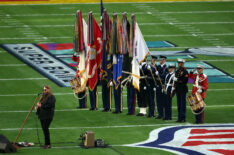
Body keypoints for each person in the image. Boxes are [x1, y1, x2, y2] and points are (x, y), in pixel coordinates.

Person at [173, 58, 188, 123]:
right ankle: (179, 117)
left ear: (182, 64)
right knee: (179, 104)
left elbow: (186, 81)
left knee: (182, 104)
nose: (179, 64)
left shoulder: (185, 71)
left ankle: (183, 117)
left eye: (180, 63)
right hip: (178, 89)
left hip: (182, 89)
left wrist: (177, 80)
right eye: (178, 63)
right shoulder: (178, 71)